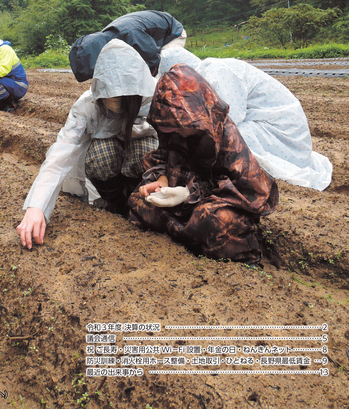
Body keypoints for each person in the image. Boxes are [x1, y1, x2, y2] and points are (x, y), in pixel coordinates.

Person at [127, 64, 279, 263]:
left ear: (194, 115)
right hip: (182, 203)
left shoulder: (228, 138)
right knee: (139, 201)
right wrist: (162, 180)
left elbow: (249, 192)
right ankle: (190, 240)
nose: (174, 132)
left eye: (177, 125)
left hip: (209, 205)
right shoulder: (178, 131)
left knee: (219, 221)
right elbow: (164, 158)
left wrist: (189, 193)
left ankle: (241, 259)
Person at [17, 39, 158, 249]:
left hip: (141, 158)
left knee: (145, 151)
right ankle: (116, 203)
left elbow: (175, 142)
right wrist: (36, 207)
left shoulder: (154, 97)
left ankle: (137, 200)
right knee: (102, 152)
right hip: (108, 159)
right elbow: (59, 156)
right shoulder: (86, 107)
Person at [158, 47, 332, 191]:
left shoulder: (215, 71)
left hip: (281, 130)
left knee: (229, 136)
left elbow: (229, 119)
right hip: (268, 126)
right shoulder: (201, 80)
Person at [69, 10, 187, 82]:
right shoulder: (106, 39)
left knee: (161, 78)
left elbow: (154, 61)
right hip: (150, 36)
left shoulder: (131, 36)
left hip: (172, 33)